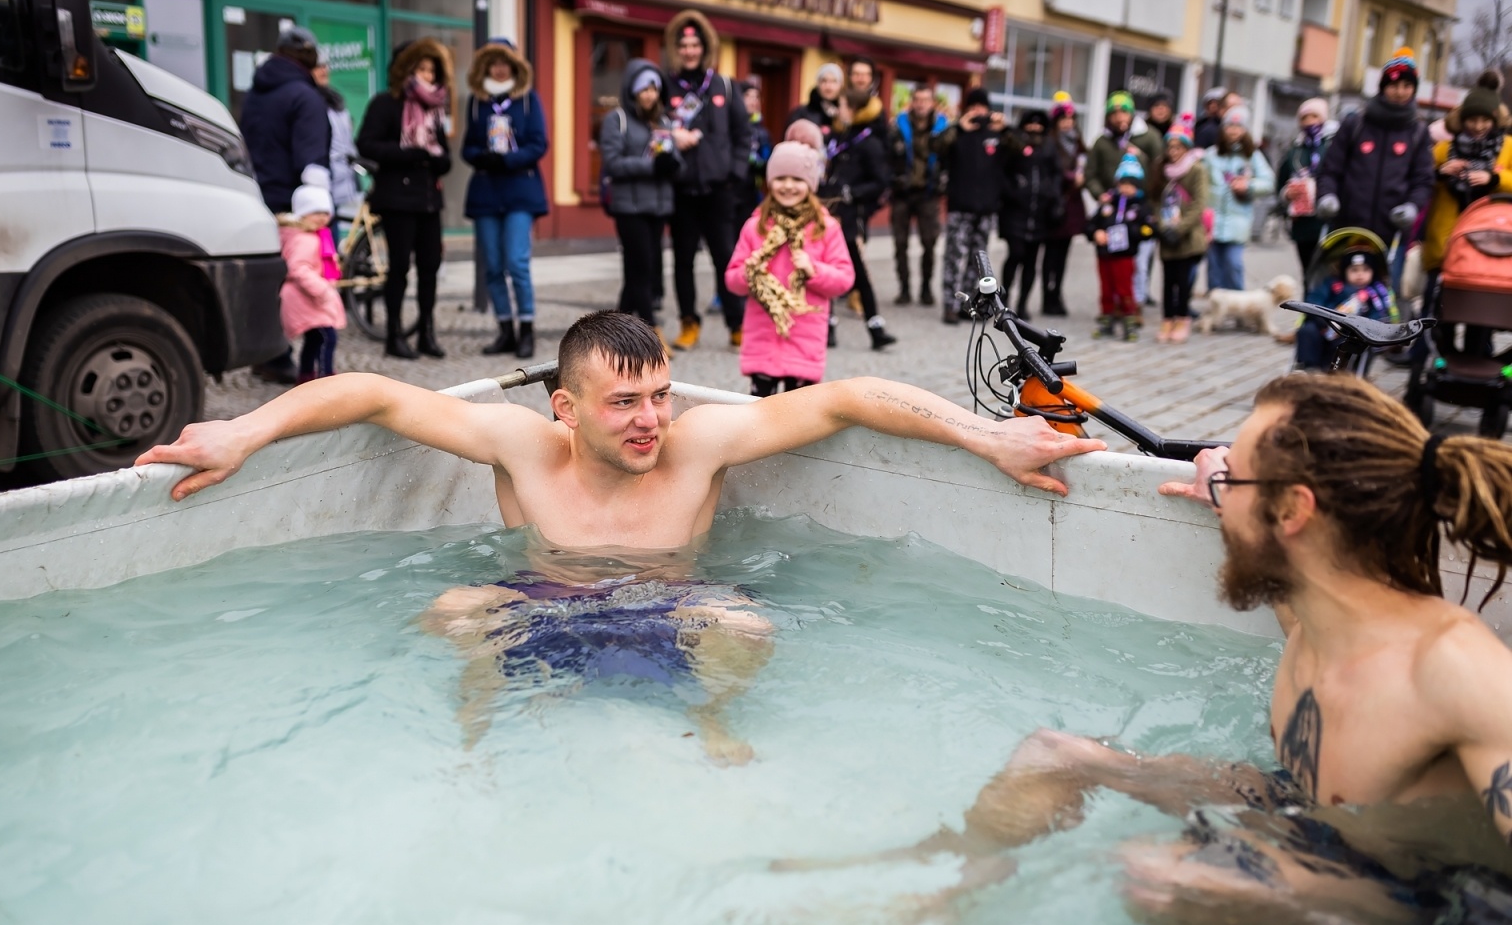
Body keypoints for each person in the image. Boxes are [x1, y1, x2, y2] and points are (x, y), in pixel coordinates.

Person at [136, 313, 1104, 760]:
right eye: (624, 402)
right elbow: (373, 394)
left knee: (749, 626)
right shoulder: (520, 445)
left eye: (659, 394)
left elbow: (851, 397)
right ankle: (475, 744)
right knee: (452, 608)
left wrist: (986, 437)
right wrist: (242, 430)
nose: (651, 418)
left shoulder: (697, 446)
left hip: (671, 616)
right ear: (565, 408)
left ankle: (713, 727)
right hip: (540, 615)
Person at [917, 374, 1512, 925]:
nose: (1213, 468)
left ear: (1294, 512)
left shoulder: (1454, 671)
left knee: (1166, 877)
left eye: (1234, 467)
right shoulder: (1314, 603)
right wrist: (1231, 486)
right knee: (1051, 756)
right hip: (1313, 818)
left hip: (1439, 922)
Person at [240, 26, 332, 385]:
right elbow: (311, 162)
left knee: (271, 281)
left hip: (259, 199)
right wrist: (318, 212)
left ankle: (270, 354)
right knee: (306, 276)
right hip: (296, 208)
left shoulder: (256, 93)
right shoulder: (304, 96)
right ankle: (313, 365)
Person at [724, 142, 853, 396]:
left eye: (797, 179)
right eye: (781, 177)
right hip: (762, 341)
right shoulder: (755, 227)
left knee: (798, 422)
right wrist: (748, 273)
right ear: (770, 182)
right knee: (758, 417)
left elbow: (844, 278)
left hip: (804, 340)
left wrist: (813, 269)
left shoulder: (825, 229)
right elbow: (732, 279)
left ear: (810, 184)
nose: (788, 185)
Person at [356, 38, 455, 361]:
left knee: (430, 268)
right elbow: (367, 145)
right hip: (397, 199)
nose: (427, 75)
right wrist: (409, 153)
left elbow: (445, 158)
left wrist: (435, 158)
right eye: (421, 68)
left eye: (431, 70)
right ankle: (394, 334)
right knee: (398, 268)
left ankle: (427, 331)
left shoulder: (434, 110)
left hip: (428, 201)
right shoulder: (385, 103)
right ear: (406, 70)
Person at [661, 11, 749, 352]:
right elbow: (652, 129)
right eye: (683, 45)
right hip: (681, 191)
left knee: (725, 259)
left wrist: (734, 173)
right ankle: (688, 323)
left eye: (695, 44)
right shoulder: (666, 85)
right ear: (676, 49)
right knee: (683, 260)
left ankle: (736, 323)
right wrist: (670, 135)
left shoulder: (724, 86)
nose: (689, 51)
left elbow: (743, 134)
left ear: (705, 47)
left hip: (719, 191)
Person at [462, 38, 549, 360]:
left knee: (516, 261)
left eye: (504, 62)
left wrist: (510, 159)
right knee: (493, 267)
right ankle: (505, 329)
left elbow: (540, 143)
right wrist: (483, 156)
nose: (499, 68)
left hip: (520, 192)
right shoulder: (476, 102)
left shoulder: (527, 100)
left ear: (513, 66)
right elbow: (467, 148)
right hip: (486, 192)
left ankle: (527, 327)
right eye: (493, 63)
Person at [1421, 71, 1512, 359]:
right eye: (1472, 120)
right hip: (1446, 241)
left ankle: (1476, 362)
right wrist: (1440, 172)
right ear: (1463, 120)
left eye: (1484, 120)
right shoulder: (1444, 149)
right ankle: (1439, 360)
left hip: (1490, 244)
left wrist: (1493, 179)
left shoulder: (1507, 148)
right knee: (1440, 310)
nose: (1478, 126)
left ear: (1494, 121)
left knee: (1481, 312)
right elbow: (1418, 179)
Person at [1315, 48, 1434, 246]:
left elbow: (1423, 180)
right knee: (1335, 278)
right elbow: (1330, 169)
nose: (1400, 92)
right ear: (1382, 87)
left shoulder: (1418, 132)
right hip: (1346, 226)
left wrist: (1413, 206)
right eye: (1393, 85)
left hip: (1391, 232)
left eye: (1407, 86)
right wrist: (1327, 196)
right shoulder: (1355, 124)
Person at [599, 60, 681, 334]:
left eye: (654, 89)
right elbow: (613, 162)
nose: (649, 95)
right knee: (642, 267)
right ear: (633, 90)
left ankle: (616, 328)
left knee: (640, 269)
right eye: (644, 89)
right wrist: (652, 166)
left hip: (657, 207)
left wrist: (673, 163)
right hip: (629, 206)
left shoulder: (664, 121)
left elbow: (677, 163)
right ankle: (651, 330)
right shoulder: (617, 119)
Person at [822, 87, 896, 349]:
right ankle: (828, 328)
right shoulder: (841, 134)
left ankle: (875, 328)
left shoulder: (869, 143)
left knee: (857, 273)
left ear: (854, 109)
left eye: (841, 104)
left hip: (847, 216)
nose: (837, 109)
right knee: (827, 270)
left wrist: (851, 193)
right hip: (827, 212)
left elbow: (880, 182)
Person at [939, 88, 1007, 325]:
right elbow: (935, 148)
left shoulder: (997, 136)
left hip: (986, 209)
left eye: (982, 106)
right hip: (960, 207)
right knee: (953, 258)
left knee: (978, 262)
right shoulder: (957, 134)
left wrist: (1004, 128)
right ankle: (950, 304)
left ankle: (969, 305)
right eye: (973, 106)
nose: (978, 111)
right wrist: (958, 127)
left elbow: (1021, 151)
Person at [997, 109, 1063, 321]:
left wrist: (1052, 194)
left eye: (1038, 125)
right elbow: (1001, 171)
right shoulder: (1014, 143)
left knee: (1031, 261)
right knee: (1015, 254)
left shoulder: (1050, 146)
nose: (1034, 128)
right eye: (1030, 124)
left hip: (1040, 213)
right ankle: (1003, 300)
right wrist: (1013, 190)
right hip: (1015, 211)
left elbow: (1056, 174)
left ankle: (1023, 304)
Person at [277, 182, 345, 383]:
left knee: (315, 339)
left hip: (307, 296)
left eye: (326, 212)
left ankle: (306, 376)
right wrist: (321, 289)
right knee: (327, 337)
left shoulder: (313, 235)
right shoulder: (305, 239)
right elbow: (298, 268)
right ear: (303, 213)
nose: (322, 217)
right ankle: (326, 379)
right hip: (306, 297)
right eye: (316, 212)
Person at [887, 83, 947, 308]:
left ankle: (925, 288)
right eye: (918, 99)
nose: (921, 104)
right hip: (902, 193)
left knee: (929, 242)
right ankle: (904, 288)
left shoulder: (943, 129)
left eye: (926, 100)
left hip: (929, 194)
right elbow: (888, 157)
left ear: (933, 103)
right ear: (912, 101)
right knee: (900, 243)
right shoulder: (897, 127)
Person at [1205, 104, 1273, 292]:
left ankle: (1237, 308)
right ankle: (1216, 310)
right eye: (1230, 126)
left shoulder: (1252, 156)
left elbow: (1269, 182)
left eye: (1238, 126)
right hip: (1213, 221)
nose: (1234, 130)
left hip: (1238, 221)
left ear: (1245, 130)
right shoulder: (1211, 155)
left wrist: (1249, 186)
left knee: (1233, 265)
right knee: (1214, 269)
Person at [1087, 153, 1154, 341]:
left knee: (1125, 289)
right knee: (1106, 290)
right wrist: (1096, 233)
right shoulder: (1108, 205)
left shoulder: (1140, 207)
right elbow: (1091, 224)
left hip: (1124, 256)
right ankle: (1107, 320)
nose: (1125, 188)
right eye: (1122, 184)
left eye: (1130, 185)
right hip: (1104, 255)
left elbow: (1148, 230)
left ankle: (1129, 322)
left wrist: (1129, 232)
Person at [1156, 116, 1209, 344]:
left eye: (1178, 147)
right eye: (1170, 147)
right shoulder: (1161, 170)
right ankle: (1167, 319)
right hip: (1167, 236)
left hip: (1188, 237)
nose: (1173, 151)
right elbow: (1154, 201)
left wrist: (1179, 229)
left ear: (1187, 148)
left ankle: (1183, 318)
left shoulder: (1196, 170)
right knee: (1167, 282)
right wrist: (1162, 226)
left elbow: (1199, 203)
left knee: (1183, 282)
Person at [1292, 251, 1392, 371]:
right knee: (1307, 331)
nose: (1360, 274)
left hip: (1351, 332)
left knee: (1348, 344)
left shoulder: (1375, 293)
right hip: (1325, 324)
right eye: (1354, 270)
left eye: (1365, 270)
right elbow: (1314, 300)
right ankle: (1309, 367)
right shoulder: (1333, 284)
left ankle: (1334, 371)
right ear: (1345, 270)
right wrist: (1321, 319)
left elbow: (1378, 315)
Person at [1275, 98, 1338, 284]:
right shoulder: (1295, 149)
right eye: (1304, 117)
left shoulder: (1334, 145)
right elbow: (1281, 179)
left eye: (1315, 116)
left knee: (1328, 273)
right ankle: (1309, 310)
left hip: (1328, 220)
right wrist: (1287, 193)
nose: (1310, 121)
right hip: (1303, 222)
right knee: (1307, 272)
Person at [1040, 92, 1086, 317]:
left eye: (1071, 119)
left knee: (1063, 256)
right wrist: (1070, 178)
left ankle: (1057, 293)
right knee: (1050, 255)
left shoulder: (1077, 143)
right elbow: (1049, 171)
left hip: (1071, 206)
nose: (1068, 123)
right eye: (1063, 119)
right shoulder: (1050, 142)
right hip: (1053, 205)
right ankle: (1047, 296)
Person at [312, 52, 360, 244]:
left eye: (325, 65)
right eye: (318, 66)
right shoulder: (308, 101)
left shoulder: (336, 101)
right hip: (322, 176)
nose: (324, 70)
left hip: (342, 176)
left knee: (335, 230)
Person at [1136, 91, 1175, 306]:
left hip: (1169, 199)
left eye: (1165, 106)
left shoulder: (1175, 131)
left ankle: (1160, 292)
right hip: (1148, 198)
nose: (1161, 110)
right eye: (1156, 106)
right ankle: (1141, 289)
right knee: (1145, 250)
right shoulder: (1142, 132)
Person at [734, 80, 773, 222]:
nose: (753, 101)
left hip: (752, 190)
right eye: (748, 96)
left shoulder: (762, 132)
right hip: (731, 189)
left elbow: (767, 162)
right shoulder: (730, 126)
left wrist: (757, 160)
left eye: (756, 97)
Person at [789, 62, 844, 148]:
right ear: (818, 84)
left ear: (841, 85)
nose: (829, 86)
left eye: (834, 81)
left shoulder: (845, 115)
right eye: (824, 81)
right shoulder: (801, 114)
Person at [1193, 86, 1226, 151]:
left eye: (1217, 104)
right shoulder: (1201, 125)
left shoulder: (1226, 125)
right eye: (1210, 103)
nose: (1213, 106)